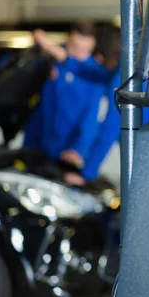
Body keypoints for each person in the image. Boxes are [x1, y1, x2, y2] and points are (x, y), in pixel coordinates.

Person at [24, 21, 104, 180]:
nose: (77, 52)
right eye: (74, 45)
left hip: (67, 154)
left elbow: (91, 118)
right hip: (38, 144)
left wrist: (78, 150)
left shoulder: (94, 74)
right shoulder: (52, 63)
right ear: (68, 39)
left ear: (92, 44)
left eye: (83, 47)